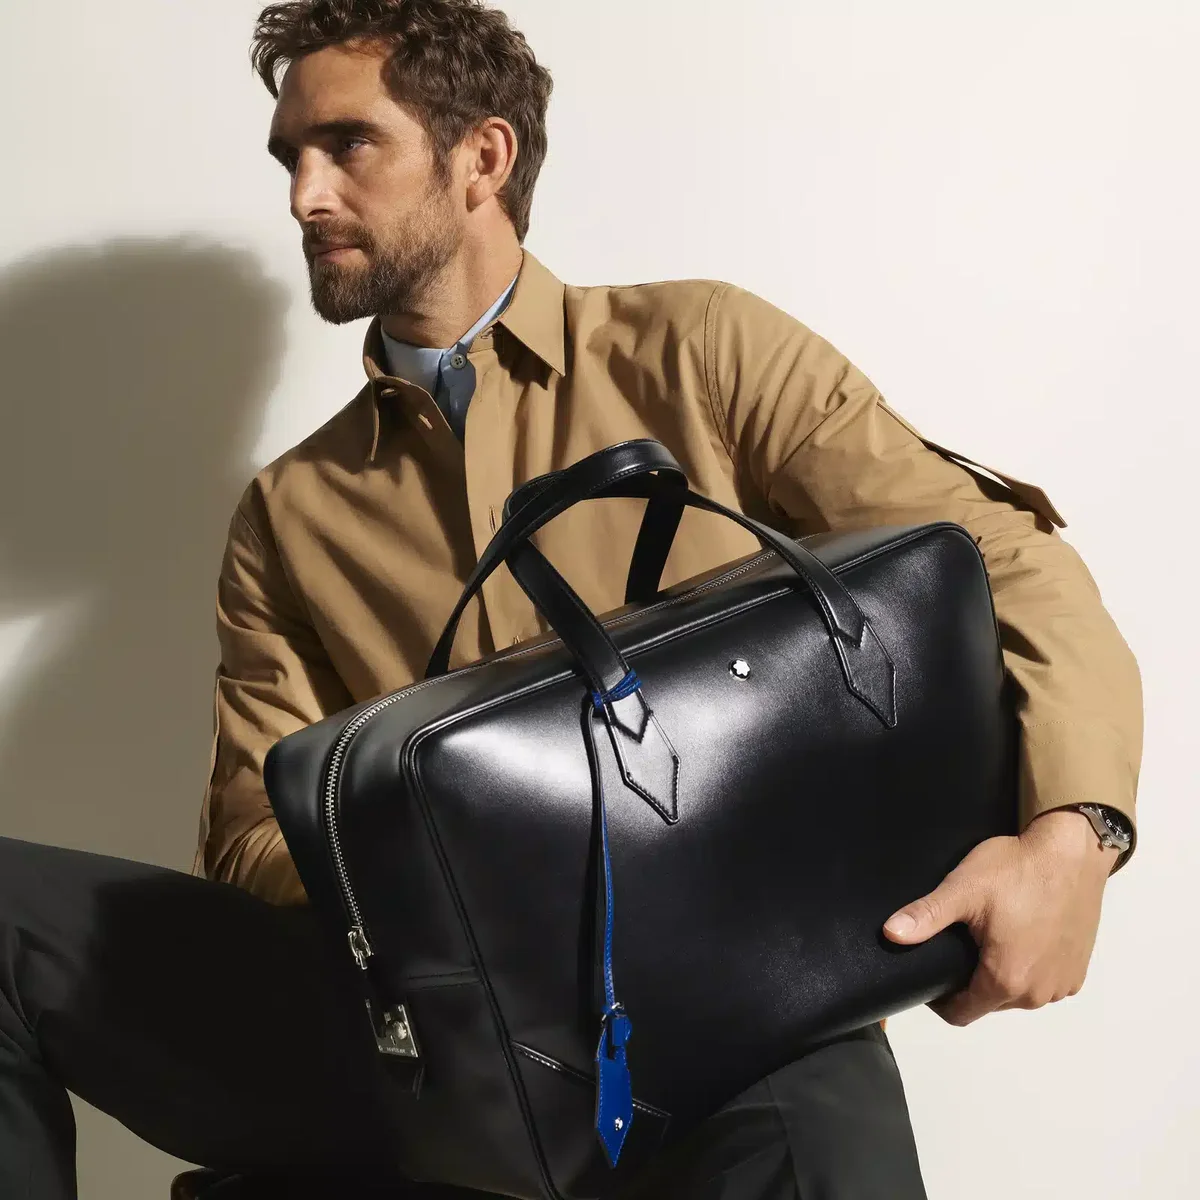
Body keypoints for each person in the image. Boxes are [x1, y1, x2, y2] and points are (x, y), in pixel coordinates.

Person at [0, 2, 1143, 1198]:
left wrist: (1075, 837)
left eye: (348, 146)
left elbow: (1003, 558)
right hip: (429, 1037)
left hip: (731, 1014)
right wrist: (464, 881)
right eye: (291, 157)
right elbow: (252, 839)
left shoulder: (702, 351)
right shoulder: (289, 512)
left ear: (482, 156)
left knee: (817, 1124)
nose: (304, 196)